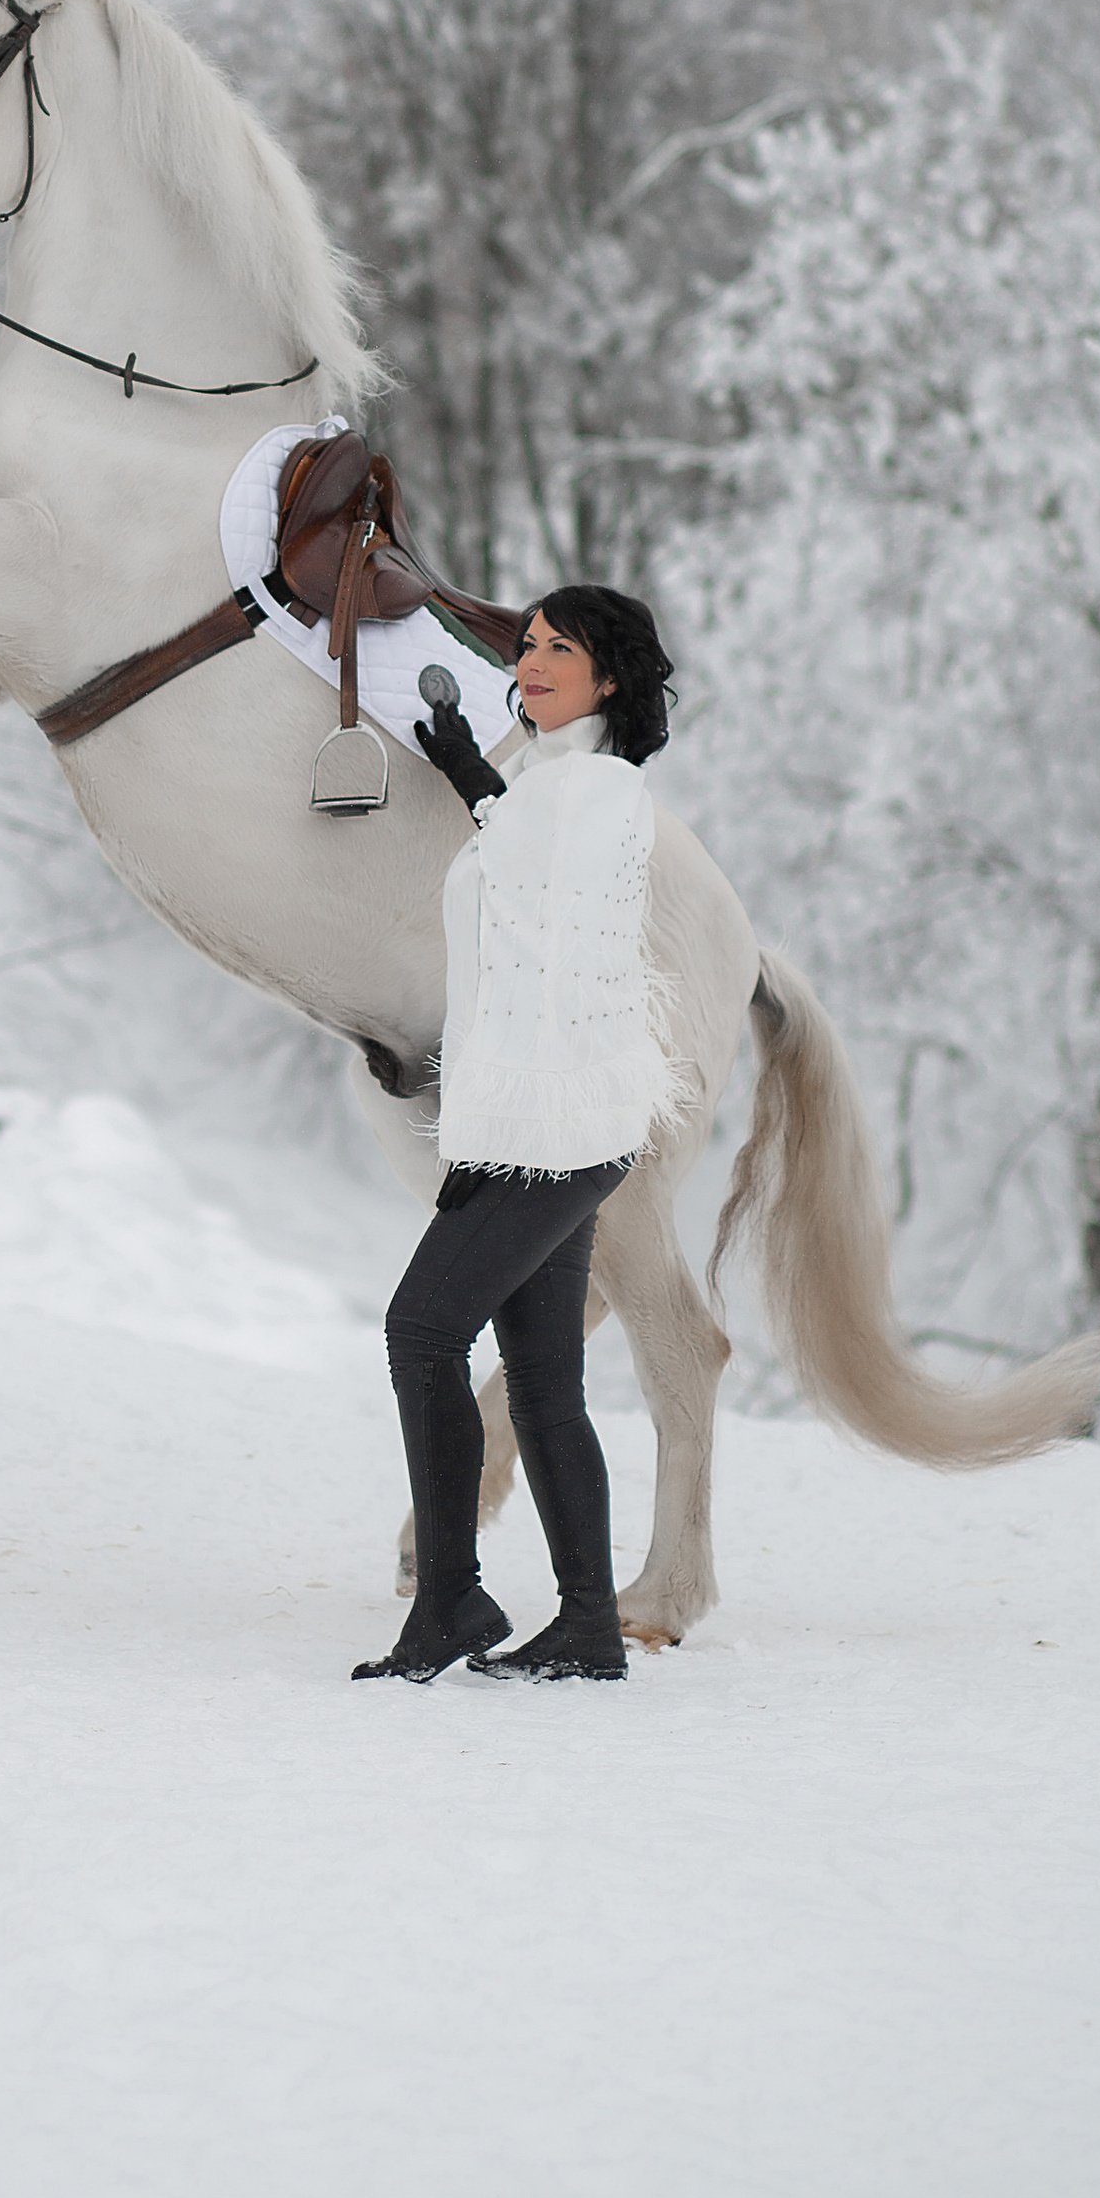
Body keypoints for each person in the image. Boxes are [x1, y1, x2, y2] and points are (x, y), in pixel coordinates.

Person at [353, 586, 682, 1686]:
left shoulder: (582, 792)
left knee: (421, 1334)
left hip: (551, 1126)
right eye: (528, 643)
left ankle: (448, 1600)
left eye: (562, 649)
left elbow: (531, 967)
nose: (532, 661)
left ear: (612, 678)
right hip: (574, 1120)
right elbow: (528, 857)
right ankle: (588, 1627)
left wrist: (480, 1150)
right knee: (543, 1381)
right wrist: (468, 774)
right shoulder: (569, 789)